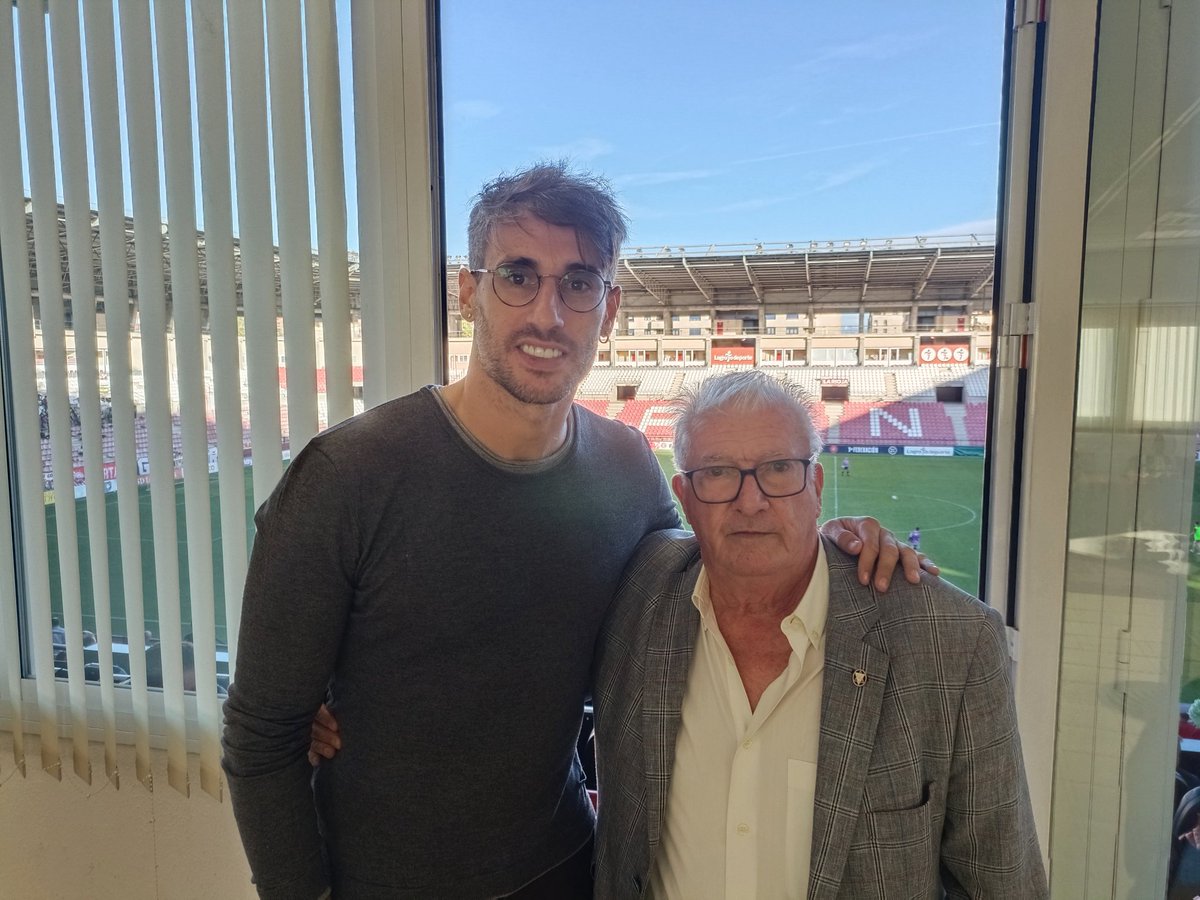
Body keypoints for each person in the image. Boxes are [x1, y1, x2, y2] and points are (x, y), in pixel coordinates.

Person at [223, 163, 922, 900]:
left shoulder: (627, 470)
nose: (548, 314)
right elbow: (264, 736)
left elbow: (715, 588)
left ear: (609, 307)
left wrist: (830, 547)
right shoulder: (346, 476)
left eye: (578, 282)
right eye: (517, 277)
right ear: (469, 293)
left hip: (565, 873)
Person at [591, 370, 1046, 899]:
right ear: (685, 498)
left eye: (779, 469)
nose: (751, 501)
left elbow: (1004, 883)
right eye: (717, 473)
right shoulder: (641, 589)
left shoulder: (951, 642)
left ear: (818, 487)